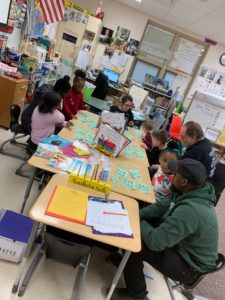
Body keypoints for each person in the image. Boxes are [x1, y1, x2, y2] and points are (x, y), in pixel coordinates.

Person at [111, 159, 218, 300]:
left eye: (176, 173)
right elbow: (160, 207)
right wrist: (133, 213)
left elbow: (155, 242)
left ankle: (137, 294)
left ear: (184, 181)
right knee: (140, 228)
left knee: (136, 244)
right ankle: (128, 263)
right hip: (183, 248)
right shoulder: (187, 191)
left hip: (190, 266)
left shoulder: (191, 209)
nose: (173, 176)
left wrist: (137, 220)